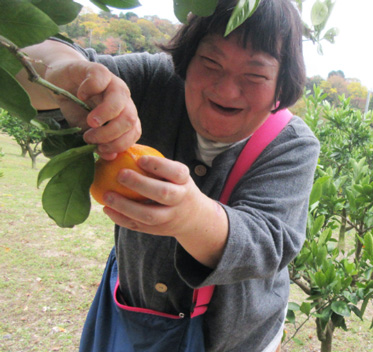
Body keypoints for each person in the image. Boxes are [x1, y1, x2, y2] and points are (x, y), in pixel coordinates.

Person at [17, 0, 319, 351]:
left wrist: (190, 217)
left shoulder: (291, 144)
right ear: (187, 60)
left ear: (281, 86)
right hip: (133, 315)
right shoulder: (155, 81)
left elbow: (268, 241)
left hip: (236, 340)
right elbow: (27, 55)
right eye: (210, 63)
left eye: (254, 75)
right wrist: (66, 72)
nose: (225, 89)